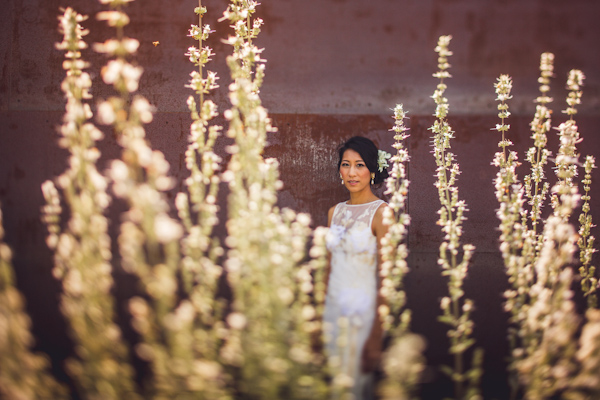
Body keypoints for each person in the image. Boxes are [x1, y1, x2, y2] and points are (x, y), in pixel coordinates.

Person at [323, 136, 390, 400]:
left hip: (361, 313)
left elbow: (387, 278)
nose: (352, 172)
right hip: (332, 309)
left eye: (360, 165)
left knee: (352, 388)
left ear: (372, 169)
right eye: (346, 164)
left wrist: (376, 335)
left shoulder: (382, 213)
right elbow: (329, 268)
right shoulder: (334, 212)